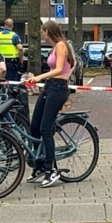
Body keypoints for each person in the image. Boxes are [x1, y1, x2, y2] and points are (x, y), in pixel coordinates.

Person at [25, 20, 73, 188]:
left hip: (58, 88)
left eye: (43, 31)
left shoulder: (60, 45)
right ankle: (39, 165)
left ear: (48, 31)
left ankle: (50, 170)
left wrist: (39, 77)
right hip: (50, 86)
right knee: (35, 126)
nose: (42, 35)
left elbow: (60, 69)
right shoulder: (55, 47)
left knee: (46, 128)